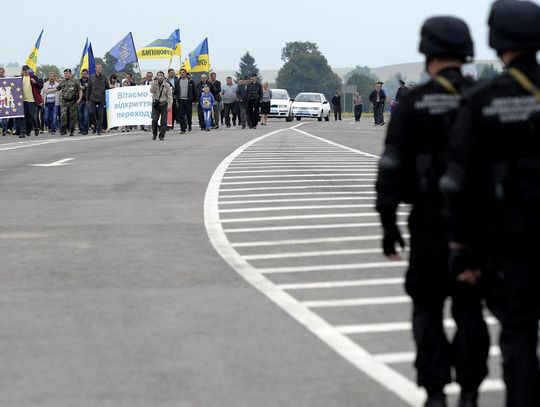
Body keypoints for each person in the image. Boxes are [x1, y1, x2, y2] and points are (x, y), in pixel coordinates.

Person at [376, 16, 489, 407]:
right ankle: (471, 392)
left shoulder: (413, 102)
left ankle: (435, 392)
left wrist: (388, 223)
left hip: (427, 220)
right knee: (470, 307)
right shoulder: (481, 96)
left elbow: (391, 166)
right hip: (475, 224)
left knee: (427, 307)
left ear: (427, 53)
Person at [441, 1, 540, 406]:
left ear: (497, 38)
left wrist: (462, 248)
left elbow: (459, 182)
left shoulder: (482, 100)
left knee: (517, 333)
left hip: (507, 239)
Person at [17, 65, 43, 138]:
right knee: (22, 116)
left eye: (26, 70)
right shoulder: (20, 78)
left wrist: (35, 82)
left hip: (31, 100)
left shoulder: (33, 77)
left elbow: (41, 86)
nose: (25, 71)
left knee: (33, 116)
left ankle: (36, 127)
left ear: (28, 70)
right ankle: (22, 132)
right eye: (23, 70)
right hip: (22, 101)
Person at [57, 68, 82, 137]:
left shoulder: (75, 81)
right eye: (65, 73)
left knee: (72, 117)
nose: (66, 75)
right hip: (64, 101)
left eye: (67, 73)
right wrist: (48, 91)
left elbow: (80, 89)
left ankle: (71, 130)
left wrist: (80, 98)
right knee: (63, 115)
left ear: (70, 74)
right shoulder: (62, 82)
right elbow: (57, 88)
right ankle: (64, 129)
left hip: (72, 101)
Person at [149, 71, 173, 141]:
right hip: (156, 104)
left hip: (163, 104)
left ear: (163, 77)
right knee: (154, 119)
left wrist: (169, 105)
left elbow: (169, 96)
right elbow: (151, 91)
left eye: (161, 75)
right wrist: (155, 82)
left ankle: (162, 135)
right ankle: (154, 133)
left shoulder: (167, 85)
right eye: (158, 75)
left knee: (164, 121)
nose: (160, 77)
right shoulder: (154, 83)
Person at [86, 64, 109, 135]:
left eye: (100, 68)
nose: (100, 69)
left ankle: (99, 129)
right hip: (92, 98)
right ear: (95, 69)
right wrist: (87, 100)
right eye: (98, 68)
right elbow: (88, 89)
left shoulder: (104, 77)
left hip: (101, 99)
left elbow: (107, 88)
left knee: (100, 115)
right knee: (92, 113)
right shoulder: (91, 77)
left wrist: (108, 98)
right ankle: (95, 125)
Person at [175, 68, 196, 134]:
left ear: (186, 73)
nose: (182, 74)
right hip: (181, 100)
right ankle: (183, 129)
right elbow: (176, 91)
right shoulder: (178, 81)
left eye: (183, 72)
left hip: (188, 100)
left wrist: (195, 99)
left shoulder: (190, 81)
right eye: (181, 72)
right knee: (181, 115)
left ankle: (189, 125)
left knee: (189, 115)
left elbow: (194, 91)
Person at [78, 69, 90, 135]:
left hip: (88, 100)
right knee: (80, 115)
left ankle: (85, 129)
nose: (84, 75)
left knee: (86, 115)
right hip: (80, 100)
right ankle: (81, 129)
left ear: (87, 74)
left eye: (85, 73)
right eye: (83, 73)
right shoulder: (79, 81)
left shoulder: (90, 80)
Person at [0, 67, 7, 136]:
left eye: (1, 72)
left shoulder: (7, 80)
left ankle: (4, 129)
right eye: (0, 72)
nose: (0, 73)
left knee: (4, 118)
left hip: (4, 101)